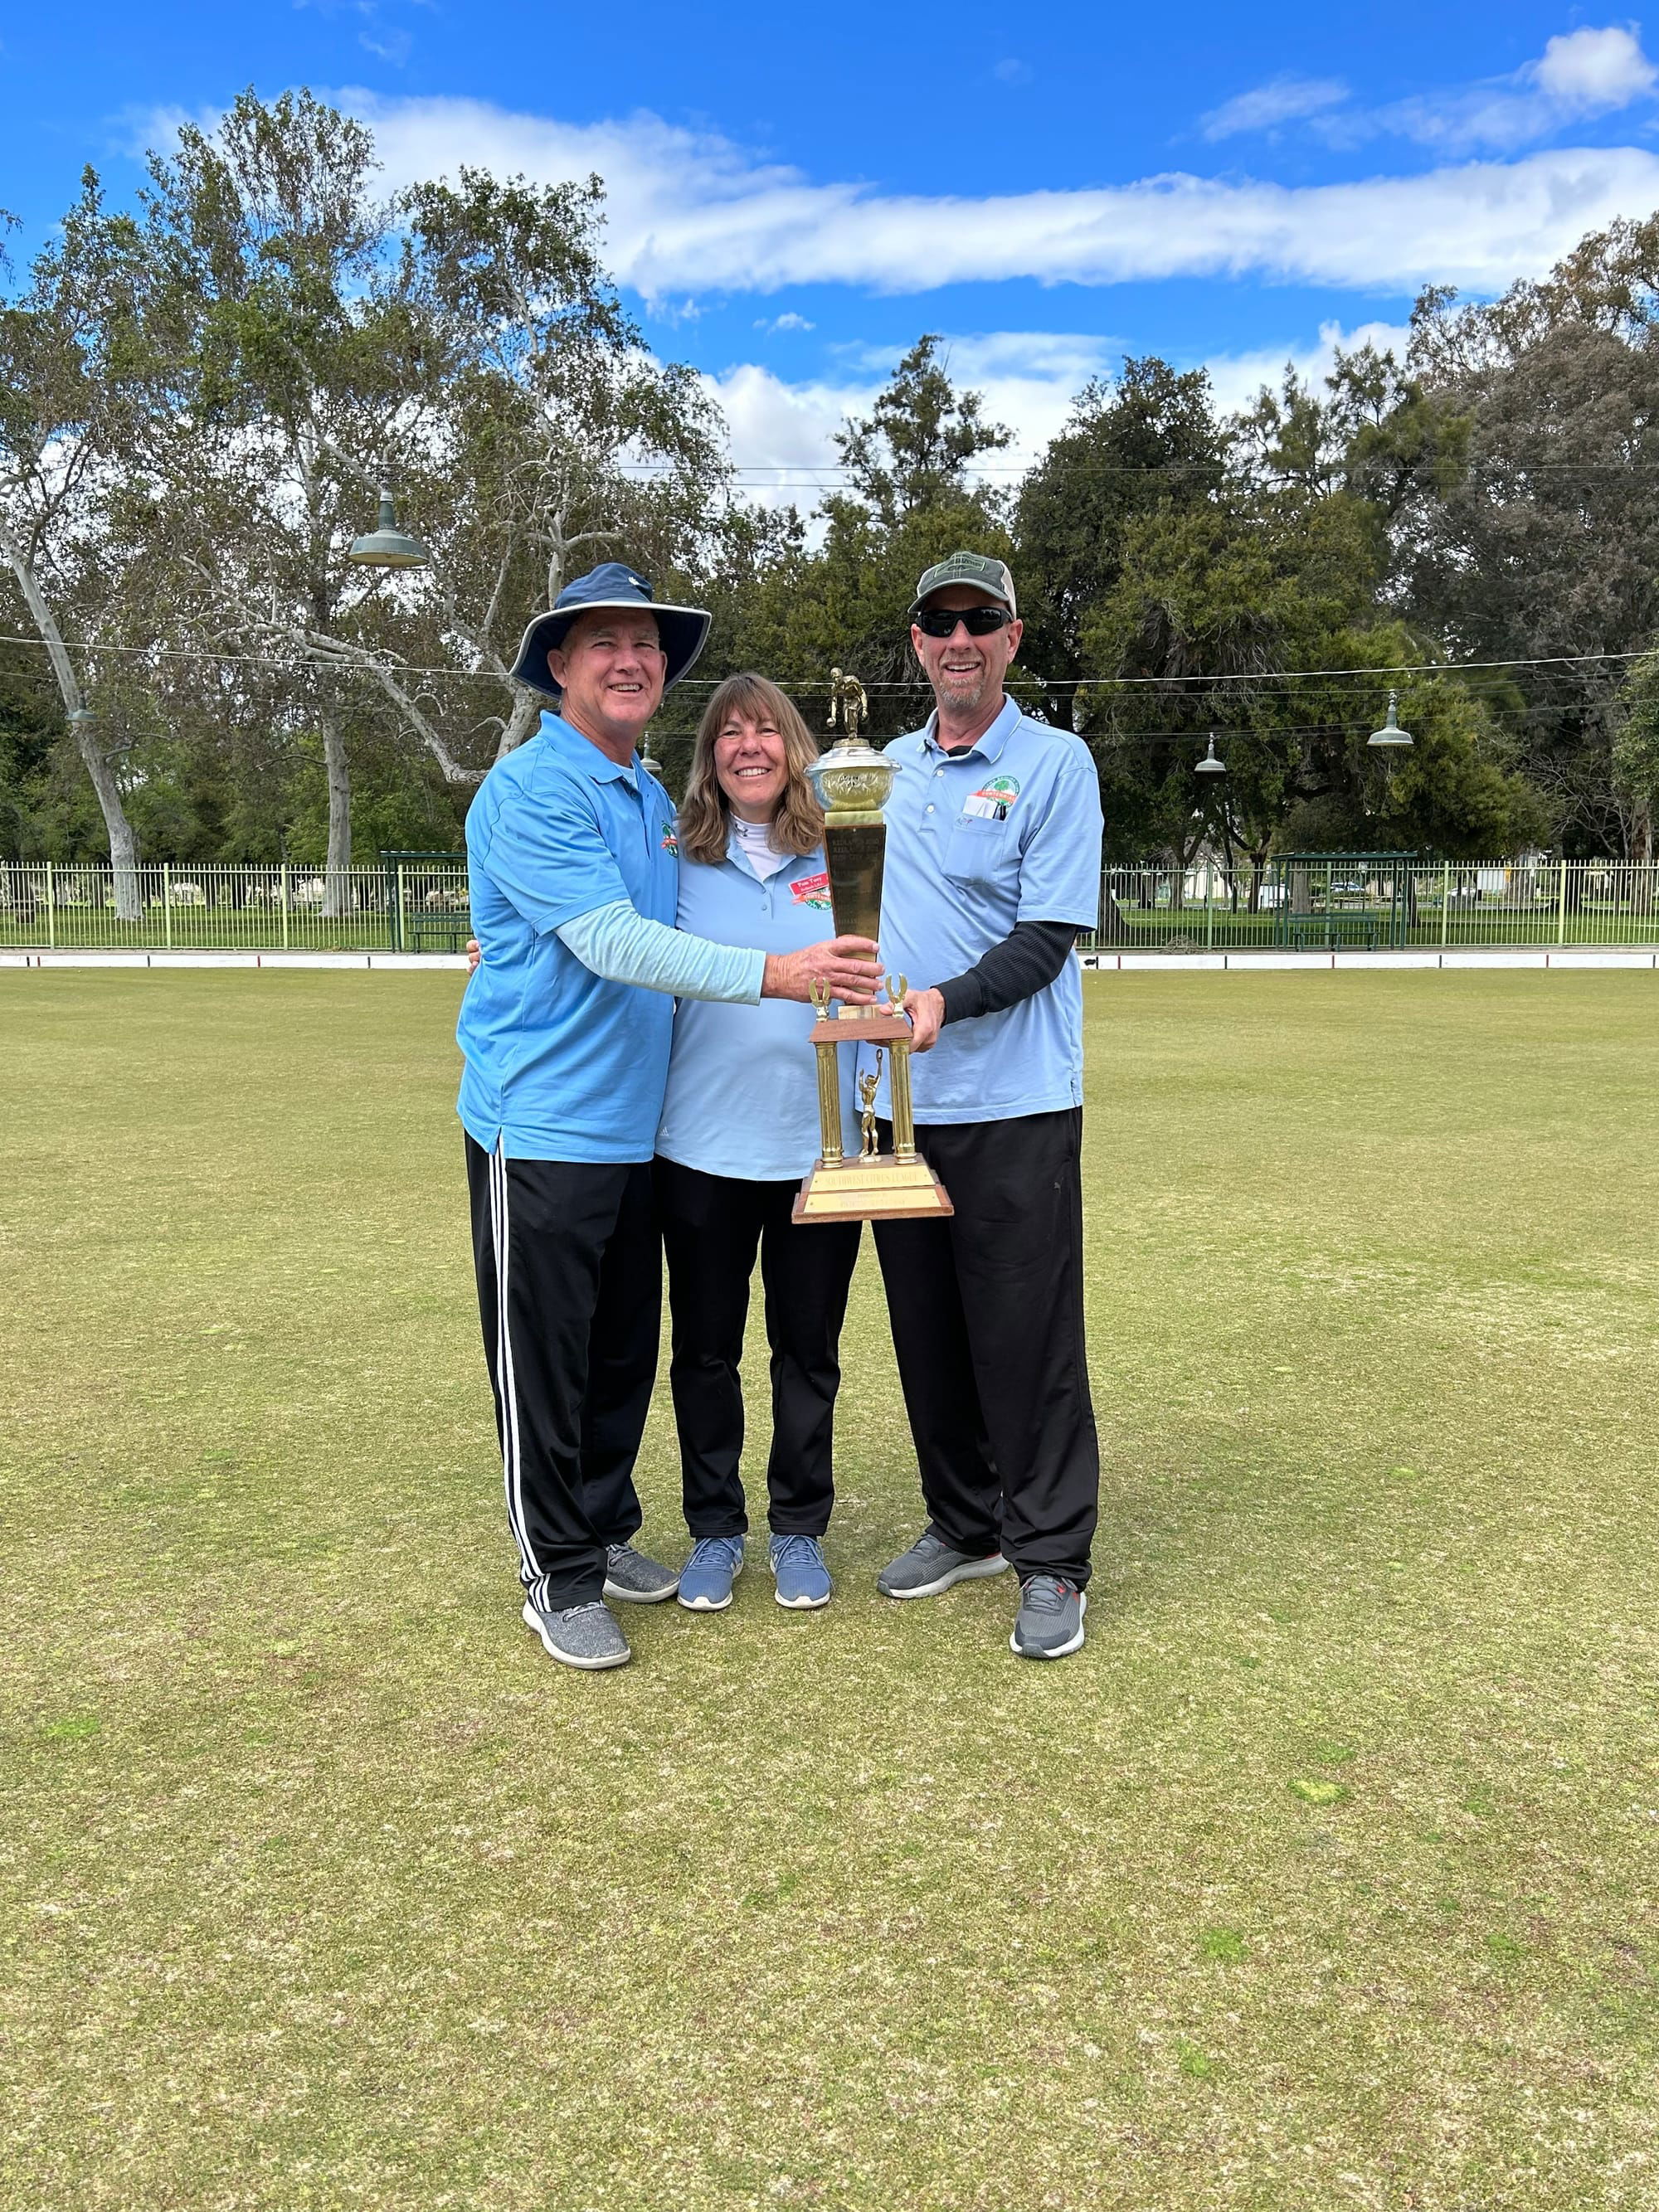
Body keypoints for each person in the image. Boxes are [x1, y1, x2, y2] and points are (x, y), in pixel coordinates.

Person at [458, 564, 878, 1673]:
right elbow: (614, 943)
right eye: (604, 642)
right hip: (539, 1121)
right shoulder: (532, 787)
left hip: (634, 1132)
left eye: (645, 642)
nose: (630, 659)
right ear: (560, 665)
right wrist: (782, 974)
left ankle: (599, 1526)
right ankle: (557, 1569)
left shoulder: (646, 797)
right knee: (544, 1358)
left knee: (616, 1355)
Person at [867, 550, 1105, 1661]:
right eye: (939, 620)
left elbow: (1046, 937)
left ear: (1013, 637)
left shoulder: (1056, 763)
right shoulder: (879, 774)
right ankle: (966, 1521)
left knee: (1027, 1334)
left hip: (1013, 1103)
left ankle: (1051, 1553)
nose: (959, 637)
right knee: (928, 1333)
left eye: (982, 619)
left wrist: (940, 1004)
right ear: (916, 641)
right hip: (894, 1105)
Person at [654, 673, 862, 1616]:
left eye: (765, 731)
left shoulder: (847, 850)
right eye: (729, 732)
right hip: (698, 1145)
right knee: (703, 1350)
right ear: (709, 755)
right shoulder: (671, 860)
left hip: (823, 1144)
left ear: (794, 748)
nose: (748, 746)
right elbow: (602, 936)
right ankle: (714, 1530)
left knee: (806, 1349)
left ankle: (798, 1529)